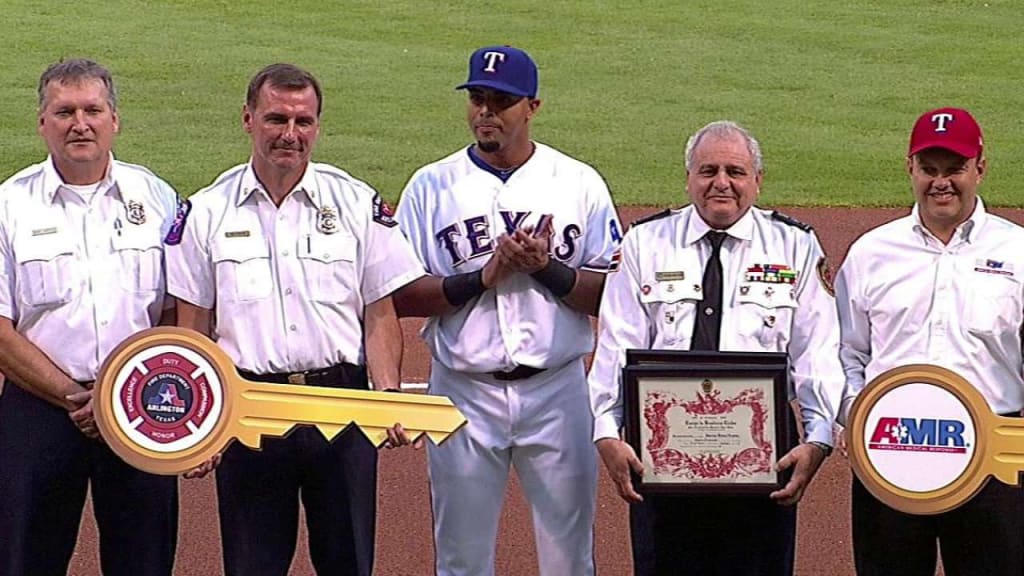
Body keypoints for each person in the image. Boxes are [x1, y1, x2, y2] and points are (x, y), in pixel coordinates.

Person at [165, 63, 424, 576]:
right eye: (276, 119)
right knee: (251, 564)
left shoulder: (354, 202)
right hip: (249, 410)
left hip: (342, 405)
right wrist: (198, 427)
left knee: (348, 561)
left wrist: (388, 393)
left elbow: (379, 311)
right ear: (247, 119)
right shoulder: (209, 212)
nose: (290, 134)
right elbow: (192, 328)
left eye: (303, 122)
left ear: (318, 126)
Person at [392, 45, 622, 576]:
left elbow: (616, 293)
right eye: (477, 99)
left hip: (558, 390)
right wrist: (481, 278)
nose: (486, 112)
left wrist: (547, 269)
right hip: (462, 391)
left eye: (501, 101)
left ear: (532, 107)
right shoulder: (431, 186)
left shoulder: (578, 182)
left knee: (570, 559)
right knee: (461, 559)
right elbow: (399, 294)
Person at [589, 120, 843, 576]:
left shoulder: (796, 246)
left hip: (762, 466)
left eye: (735, 171)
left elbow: (817, 353)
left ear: (758, 181)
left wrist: (819, 439)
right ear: (688, 177)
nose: (721, 183)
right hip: (662, 462)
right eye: (707, 170)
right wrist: (607, 431)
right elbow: (617, 345)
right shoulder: (645, 243)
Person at [0, 58, 179, 576]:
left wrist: (123, 395)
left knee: (143, 561)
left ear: (114, 120)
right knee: (24, 559)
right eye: (64, 111)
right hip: (40, 410)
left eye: (92, 110)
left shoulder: (158, 198)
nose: (80, 123)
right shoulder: (10, 205)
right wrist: (76, 397)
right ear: (42, 123)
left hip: (142, 411)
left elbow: (178, 311)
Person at [835, 107, 1024, 576]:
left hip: (994, 457)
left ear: (980, 167)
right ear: (910, 168)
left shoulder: (1017, 252)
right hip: (890, 450)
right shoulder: (871, 253)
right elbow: (845, 351)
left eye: (955, 169)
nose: (942, 182)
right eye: (929, 169)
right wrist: (855, 417)